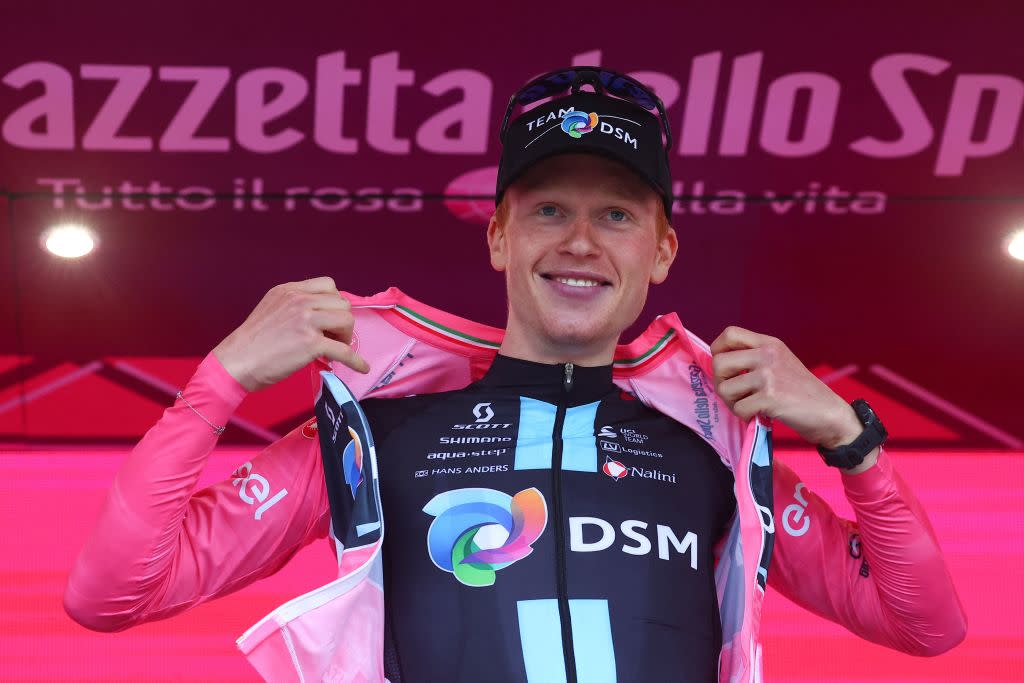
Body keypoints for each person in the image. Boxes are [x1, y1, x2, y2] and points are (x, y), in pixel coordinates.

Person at [64, 68, 967, 682]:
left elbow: (926, 624)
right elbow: (112, 593)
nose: (579, 242)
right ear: (499, 234)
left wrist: (853, 441)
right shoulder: (379, 439)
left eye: (616, 213)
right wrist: (218, 381)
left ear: (662, 250)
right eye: (547, 211)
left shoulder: (711, 450)